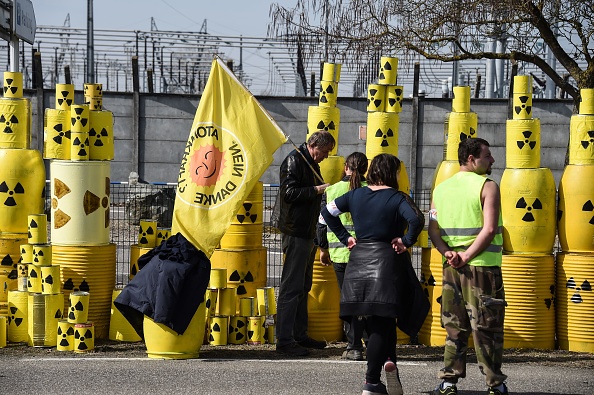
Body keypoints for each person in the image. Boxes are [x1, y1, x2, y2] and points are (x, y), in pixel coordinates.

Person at [321, 153, 428, 395]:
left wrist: (345, 237)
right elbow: (417, 219)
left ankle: (391, 366)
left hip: (358, 263)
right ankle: (371, 382)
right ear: (392, 173)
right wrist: (406, 241)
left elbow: (327, 213)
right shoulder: (397, 197)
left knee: (377, 320)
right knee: (382, 321)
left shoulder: (356, 194)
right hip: (386, 263)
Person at [428, 138, 508, 395]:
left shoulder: (440, 189)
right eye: (487, 156)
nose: (492, 160)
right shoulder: (488, 186)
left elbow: (433, 230)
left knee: (455, 326)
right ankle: (495, 385)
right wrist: (467, 255)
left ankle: (449, 382)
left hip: (451, 268)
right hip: (482, 268)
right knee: (487, 327)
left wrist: (448, 252)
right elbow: (490, 228)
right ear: (471, 158)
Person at [275, 130, 336, 357]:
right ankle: (284, 340)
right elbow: (288, 193)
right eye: (325, 152)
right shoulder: (294, 161)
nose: (326, 156)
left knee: (303, 286)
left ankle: (299, 335)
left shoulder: (309, 162)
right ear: (313, 145)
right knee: (291, 287)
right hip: (295, 231)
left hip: (306, 231)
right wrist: (316, 190)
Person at [317, 151, 368, 361]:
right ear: (366, 169)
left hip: (340, 254)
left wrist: (322, 248)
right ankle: (372, 343)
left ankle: (354, 346)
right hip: (367, 255)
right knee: (367, 300)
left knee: (348, 300)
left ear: (346, 167)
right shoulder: (371, 190)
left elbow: (322, 223)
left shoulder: (332, 190)